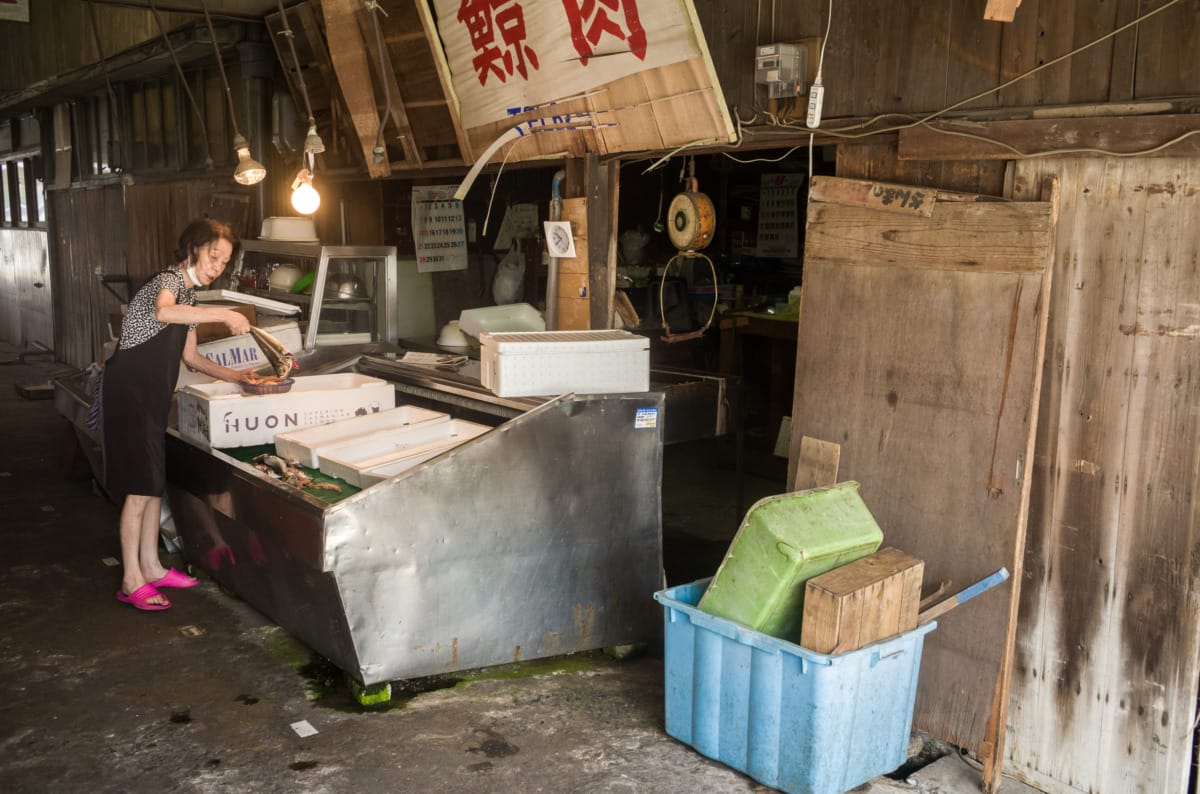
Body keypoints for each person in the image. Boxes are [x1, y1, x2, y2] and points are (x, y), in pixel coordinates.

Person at [101, 217, 255, 611]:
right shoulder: (168, 283)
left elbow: (192, 358)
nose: (217, 266)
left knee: (153, 483)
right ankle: (130, 579)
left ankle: (152, 566)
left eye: (224, 262)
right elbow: (163, 313)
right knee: (140, 488)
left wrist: (240, 377)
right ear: (193, 249)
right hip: (129, 394)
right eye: (213, 256)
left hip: (151, 397)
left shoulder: (190, 298)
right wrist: (225, 313)